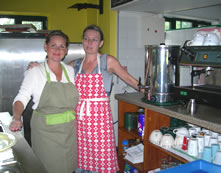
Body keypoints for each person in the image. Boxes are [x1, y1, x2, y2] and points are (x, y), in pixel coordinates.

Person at [72, 24, 140, 173]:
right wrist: (38, 66)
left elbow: (129, 79)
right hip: (79, 122)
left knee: (102, 161)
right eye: (86, 39)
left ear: (100, 43)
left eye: (94, 40)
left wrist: (150, 91)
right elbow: (54, 72)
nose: (89, 43)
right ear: (82, 41)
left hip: (100, 123)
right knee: (80, 161)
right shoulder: (75, 64)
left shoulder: (107, 61)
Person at [9, 30, 79, 173]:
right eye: (53, 45)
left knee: (67, 168)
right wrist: (16, 118)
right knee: (47, 168)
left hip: (69, 131)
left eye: (61, 46)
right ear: (45, 47)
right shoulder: (36, 71)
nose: (57, 50)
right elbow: (21, 98)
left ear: (66, 51)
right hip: (46, 133)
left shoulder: (71, 71)